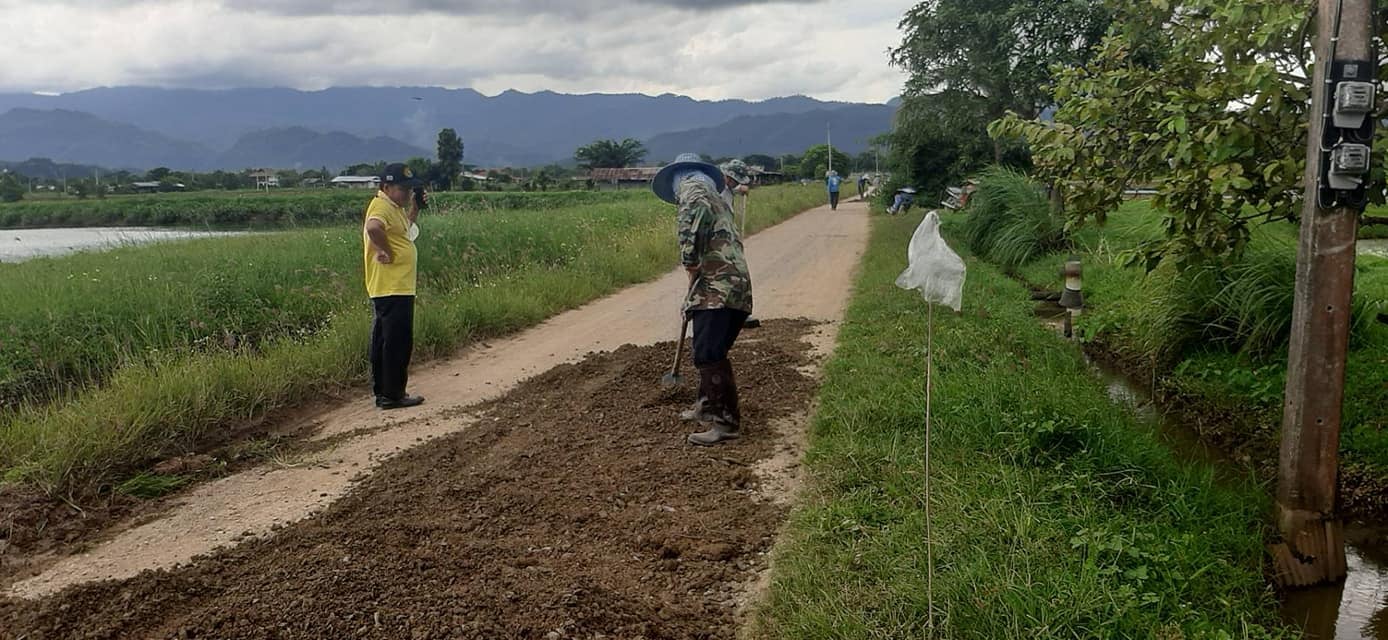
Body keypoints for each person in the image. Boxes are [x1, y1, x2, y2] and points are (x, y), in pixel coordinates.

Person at [653, 153, 753, 446]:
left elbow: (695, 221)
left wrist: (690, 261)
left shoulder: (693, 190)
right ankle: (706, 406)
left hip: (718, 287)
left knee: (708, 353)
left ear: (677, 177)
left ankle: (726, 423)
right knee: (709, 349)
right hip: (731, 285)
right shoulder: (714, 195)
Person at [363, 162, 426, 410]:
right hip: (392, 285)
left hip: (396, 285)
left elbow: (405, 232)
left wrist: (415, 208)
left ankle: (385, 391)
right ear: (386, 187)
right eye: (403, 189)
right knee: (397, 341)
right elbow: (373, 227)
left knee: (387, 339)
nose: (407, 193)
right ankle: (392, 394)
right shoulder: (381, 206)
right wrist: (386, 251)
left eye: (410, 189)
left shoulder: (394, 207)